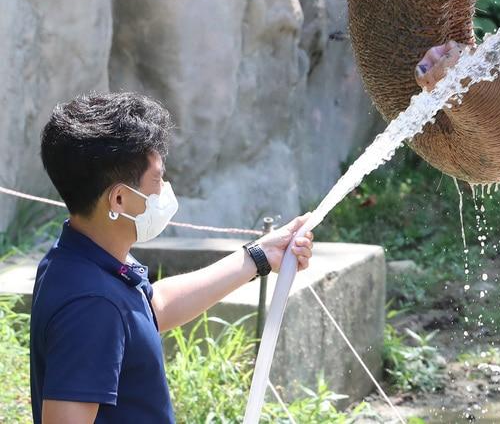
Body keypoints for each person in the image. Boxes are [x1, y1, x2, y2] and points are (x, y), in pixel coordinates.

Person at [29, 92, 313, 423]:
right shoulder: (92, 305)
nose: (164, 188)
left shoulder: (82, 257)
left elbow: (152, 308)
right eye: (158, 178)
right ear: (119, 199)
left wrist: (260, 256)